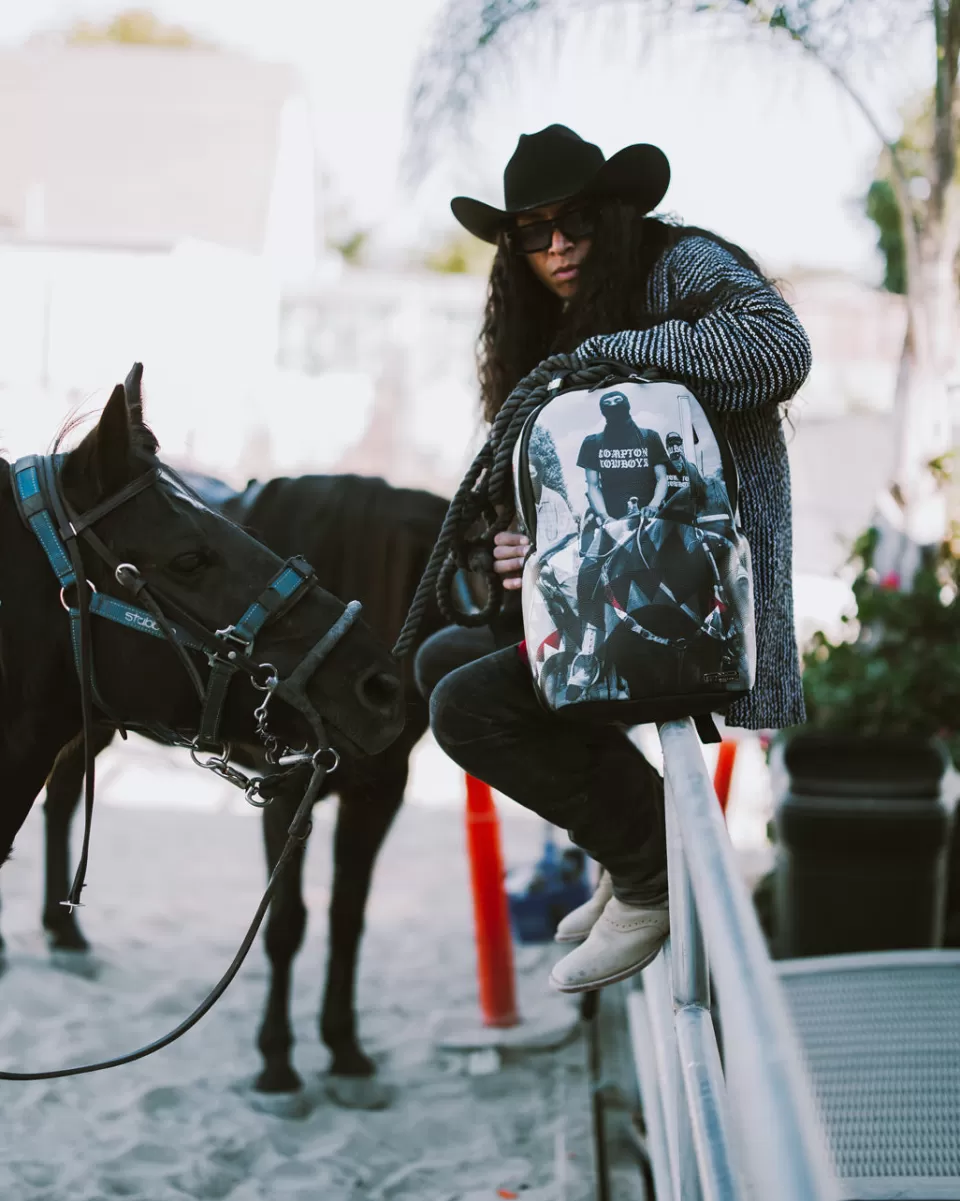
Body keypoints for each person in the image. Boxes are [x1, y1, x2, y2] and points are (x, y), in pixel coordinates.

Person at [415, 123, 810, 993]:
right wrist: (519, 545)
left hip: (699, 607)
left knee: (466, 707)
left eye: (578, 222)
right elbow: (556, 496)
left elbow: (779, 345)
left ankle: (650, 873)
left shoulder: (680, 266)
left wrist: (609, 354)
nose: (557, 247)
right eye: (533, 232)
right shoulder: (554, 323)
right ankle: (637, 843)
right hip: (619, 606)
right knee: (442, 655)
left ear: (617, 215)